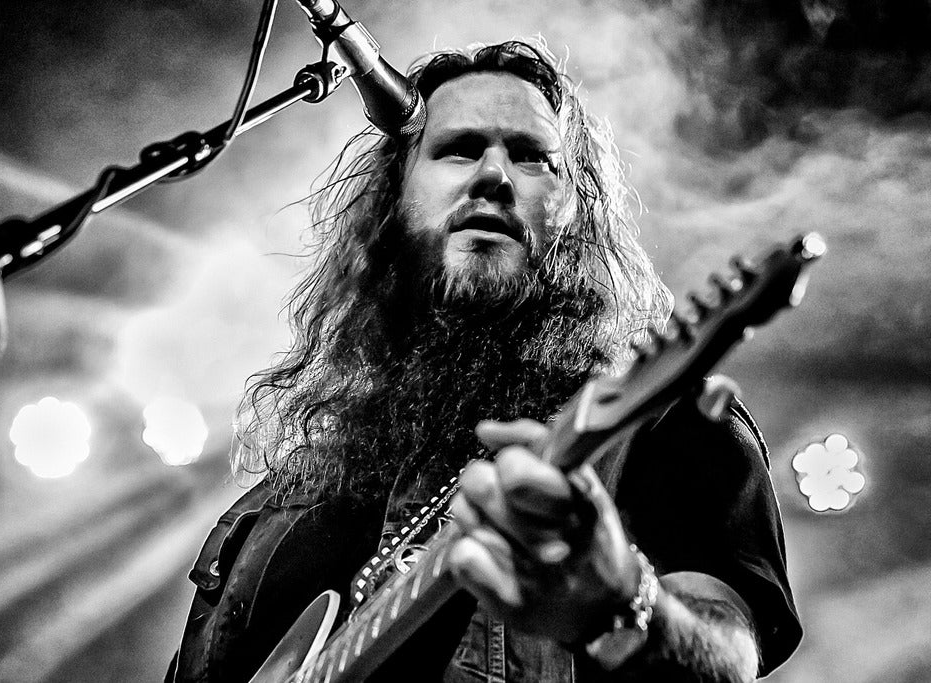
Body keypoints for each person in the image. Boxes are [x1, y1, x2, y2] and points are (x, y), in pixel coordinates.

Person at [168, 40, 801, 681]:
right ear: (394, 197)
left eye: (532, 157)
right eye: (460, 148)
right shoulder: (278, 505)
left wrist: (619, 602)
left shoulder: (655, 421)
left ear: (575, 213)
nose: (494, 174)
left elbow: (727, 659)